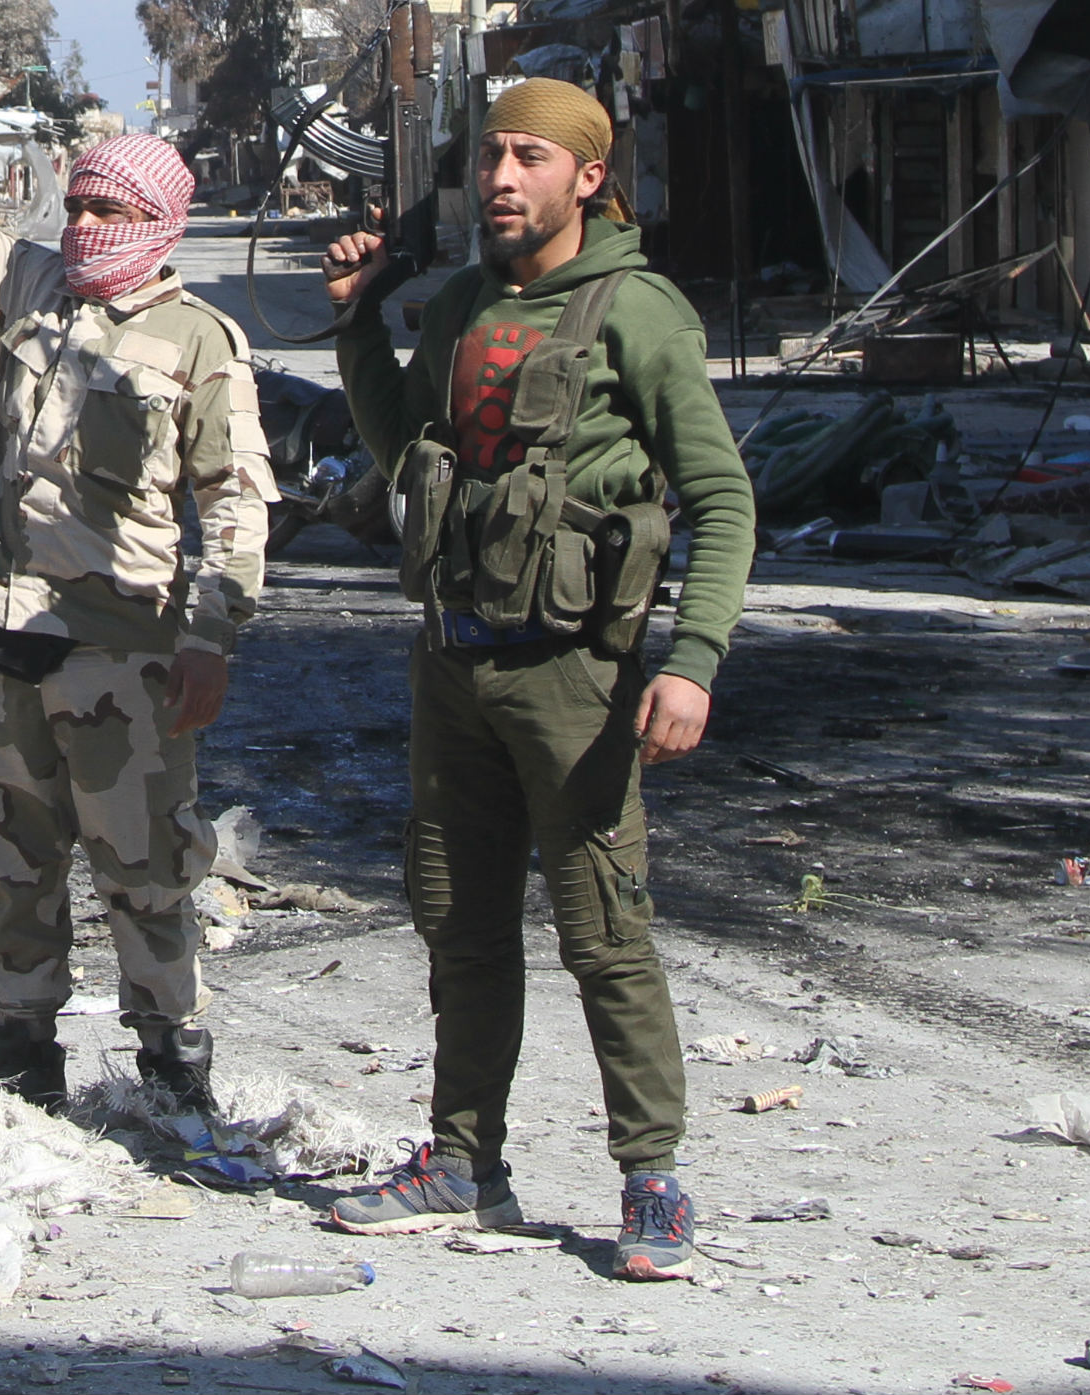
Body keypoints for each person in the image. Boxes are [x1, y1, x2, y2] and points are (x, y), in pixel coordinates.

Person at [314, 77, 756, 1281]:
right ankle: (465, 1164)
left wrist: (693, 664)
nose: (502, 178)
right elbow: (405, 452)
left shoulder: (636, 313)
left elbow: (720, 500)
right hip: (454, 662)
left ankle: (651, 1180)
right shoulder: (465, 301)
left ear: (587, 178)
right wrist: (358, 321)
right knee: (459, 924)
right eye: (490, 157)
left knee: (603, 932)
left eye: (530, 158)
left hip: (573, 675)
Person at [0, 10, 271, 1117]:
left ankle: (170, 1064)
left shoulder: (198, 341)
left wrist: (211, 637)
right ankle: (20, 1058)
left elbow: (235, 504)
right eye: (77, 205)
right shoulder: (33, 287)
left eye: (108, 211)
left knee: (146, 873)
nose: (84, 225)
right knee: (3, 865)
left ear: (160, 224)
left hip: (119, 657)